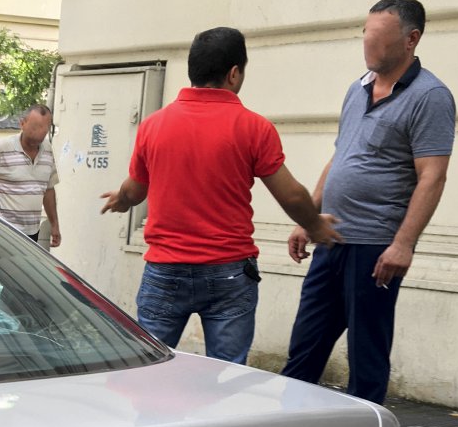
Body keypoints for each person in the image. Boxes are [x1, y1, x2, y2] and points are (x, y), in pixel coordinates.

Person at [100, 27, 340, 364]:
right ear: (234, 73)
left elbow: (134, 190)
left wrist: (121, 199)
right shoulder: (254, 128)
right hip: (229, 272)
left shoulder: (154, 126)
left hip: (165, 269)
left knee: (145, 370)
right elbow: (292, 196)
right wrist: (314, 225)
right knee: (228, 376)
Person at [281, 0, 455, 403]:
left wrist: (403, 243)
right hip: (331, 238)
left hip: (376, 248)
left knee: (367, 358)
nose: (368, 46)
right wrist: (308, 218)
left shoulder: (431, 96)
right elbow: (340, 155)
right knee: (303, 350)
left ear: (411, 39)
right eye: (365, 36)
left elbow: (433, 175)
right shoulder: (357, 88)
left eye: (378, 39)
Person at [0, 104, 61, 248]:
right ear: (22, 123)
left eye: (44, 130)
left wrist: (54, 225)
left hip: (32, 232)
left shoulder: (47, 150)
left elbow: (49, 190)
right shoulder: (2, 148)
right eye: (34, 128)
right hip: (4, 230)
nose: (39, 134)